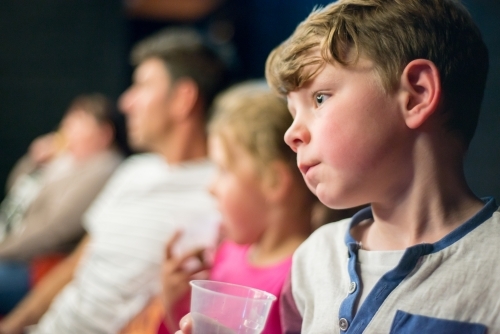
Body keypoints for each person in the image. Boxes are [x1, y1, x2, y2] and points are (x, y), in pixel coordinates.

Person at [177, 0, 499, 333]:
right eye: (291, 112)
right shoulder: (314, 259)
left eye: (319, 98)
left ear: (416, 94)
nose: (291, 134)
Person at [0, 27, 228, 334]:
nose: (125, 102)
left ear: (183, 99)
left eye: (142, 85)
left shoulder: (220, 190)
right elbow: (75, 265)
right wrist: (12, 326)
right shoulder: (133, 169)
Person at [158, 80, 317, 334]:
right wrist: (174, 304)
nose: (210, 187)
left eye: (223, 169)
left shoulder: (302, 280)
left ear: (273, 181)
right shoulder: (227, 251)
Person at [0, 93, 123, 315]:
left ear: (104, 134)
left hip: (35, 265)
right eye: (68, 121)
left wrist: (3, 250)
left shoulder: (104, 168)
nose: (67, 129)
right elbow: (16, 190)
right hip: (12, 245)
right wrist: (33, 160)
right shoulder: (65, 159)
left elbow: (53, 230)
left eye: (79, 122)